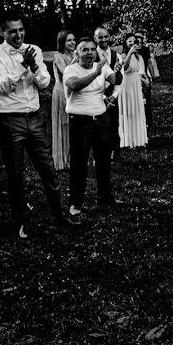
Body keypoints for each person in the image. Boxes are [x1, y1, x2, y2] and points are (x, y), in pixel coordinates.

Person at [0, 11, 75, 239]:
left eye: (21, 29)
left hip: (34, 119)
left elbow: (44, 83)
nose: (18, 34)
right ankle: (22, 221)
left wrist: (34, 66)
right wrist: (23, 66)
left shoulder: (33, 49)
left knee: (48, 170)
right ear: (1, 32)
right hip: (9, 120)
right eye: (13, 31)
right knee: (15, 174)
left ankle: (59, 216)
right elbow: (2, 86)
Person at [64, 36, 123, 221]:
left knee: (103, 161)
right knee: (79, 164)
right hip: (80, 122)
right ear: (77, 53)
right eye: (84, 49)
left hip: (101, 120)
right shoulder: (71, 69)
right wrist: (96, 73)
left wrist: (118, 72)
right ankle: (76, 203)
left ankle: (104, 199)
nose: (89, 53)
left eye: (91, 49)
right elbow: (75, 85)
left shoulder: (102, 67)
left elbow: (116, 80)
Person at [93, 27, 123, 160]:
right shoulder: (92, 55)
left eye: (105, 36)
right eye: (100, 37)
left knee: (114, 124)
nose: (104, 40)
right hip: (97, 96)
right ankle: (100, 154)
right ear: (95, 39)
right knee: (99, 127)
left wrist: (114, 96)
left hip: (113, 96)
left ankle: (115, 152)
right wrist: (103, 97)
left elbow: (120, 80)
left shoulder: (116, 55)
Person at [117, 34, 148, 148]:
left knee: (137, 110)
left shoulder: (139, 56)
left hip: (135, 83)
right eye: (129, 41)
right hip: (127, 83)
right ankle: (128, 140)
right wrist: (130, 52)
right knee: (128, 110)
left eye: (134, 41)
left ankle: (138, 139)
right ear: (125, 43)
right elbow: (124, 68)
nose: (132, 43)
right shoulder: (124, 55)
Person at [51, 30, 76, 171]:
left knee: (74, 124)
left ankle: (74, 158)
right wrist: (76, 59)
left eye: (73, 40)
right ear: (62, 42)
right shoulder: (58, 56)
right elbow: (67, 72)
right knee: (64, 122)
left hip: (75, 92)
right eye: (69, 40)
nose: (72, 43)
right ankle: (62, 160)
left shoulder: (74, 55)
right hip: (62, 91)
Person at [134, 30, 159, 128]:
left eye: (141, 41)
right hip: (135, 77)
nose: (139, 43)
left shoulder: (145, 50)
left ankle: (148, 121)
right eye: (137, 41)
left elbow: (149, 62)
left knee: (146, 100)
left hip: (144, 76)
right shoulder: (131, 50)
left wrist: (153, 75)